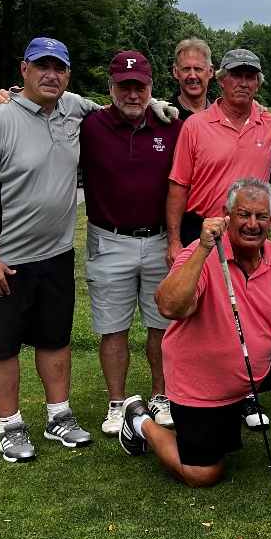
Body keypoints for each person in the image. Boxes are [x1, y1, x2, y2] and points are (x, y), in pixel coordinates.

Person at [118, 179, 271, 488]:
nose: (252, 224)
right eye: (243, 215)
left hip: (259, 362)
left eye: (260, 216)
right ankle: (139, 420)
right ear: (226, 214)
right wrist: (202, 248)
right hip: (201, 382)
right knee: (202, 474)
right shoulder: (197, 254)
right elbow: (169, 307)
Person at [0, 38, 93, 461]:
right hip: (3, 259)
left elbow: (123, 104)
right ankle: (11, 426)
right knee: (1, 346)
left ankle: (59, 417)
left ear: (68, 74)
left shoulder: (73, 108)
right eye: (42, 66)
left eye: (59, 68)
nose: (50, 75)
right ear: (24, 70)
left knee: (54, 339)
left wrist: (164, 105)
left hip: (54, 255)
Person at [80, 51, 184, 436]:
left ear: (150, 88)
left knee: (162, 325)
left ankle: (160, 396)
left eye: (139, 87)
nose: (132, 94)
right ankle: (116, 402)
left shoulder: (169, 125)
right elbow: (52, 103)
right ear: (111, 88)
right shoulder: (90, 124)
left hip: (159, 239)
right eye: (124, 87)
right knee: (114, 328)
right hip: (109, 240)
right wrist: (7, 93)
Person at [166, 49, 271, 260]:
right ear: (221, 80)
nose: (243, 83)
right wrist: (174, 241)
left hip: (249, 232)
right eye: (236, 75)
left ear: (258, 83)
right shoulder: (195, 125)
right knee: (198, 293)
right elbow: (178, 185)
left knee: (245, 291)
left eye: (250, 77)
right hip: (200, 229)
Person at [169, 38, 215, 120]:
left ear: (210, 71)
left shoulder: (221, 114)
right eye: (186, 69)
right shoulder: (164, 116)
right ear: (175, 72)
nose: (192, 76)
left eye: (198, 68)